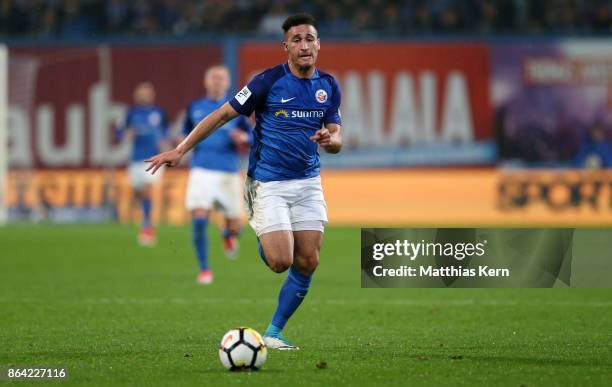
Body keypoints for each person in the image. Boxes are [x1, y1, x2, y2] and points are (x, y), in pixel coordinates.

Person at [146, 13, 342, 350]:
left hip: (309, 182)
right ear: (287, 48)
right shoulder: (267, 83)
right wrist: (181, 149)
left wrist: (331, 139)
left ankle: (274, 333)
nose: (305, 45)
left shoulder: (328, 86)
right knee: (281, 261)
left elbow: (337, 136)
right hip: (268, 183)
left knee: (309, 261)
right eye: (297, 40)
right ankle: (265, 239)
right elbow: (223, 114)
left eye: (310, 38)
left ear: (318, 44)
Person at [182, 65, 252, 285]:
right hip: (201, 170)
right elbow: (185, 134)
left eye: (221, 78)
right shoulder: (195, 107)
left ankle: (227, 235)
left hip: (228, 173)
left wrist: (243, 138)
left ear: (227, 82)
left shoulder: (236, 108)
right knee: (200, 218)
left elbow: (252, 137)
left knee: (235, 226)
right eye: (213, 77)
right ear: (206, 81)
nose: (217, 81)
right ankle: (204, 269)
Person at [120, 82, 169, 246]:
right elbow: (120, 133)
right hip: (135, 158)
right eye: (141, 93)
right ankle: (143, 217)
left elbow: (164, 134)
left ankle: (148, 225)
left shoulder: (159, 113)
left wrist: (166, 150)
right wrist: (126, 134)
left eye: (147, 93)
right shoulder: (131, 113)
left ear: (152, 95)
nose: (144, 96)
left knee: (148, 189)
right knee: (137, 192)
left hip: (153, 158)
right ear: (136, 95)